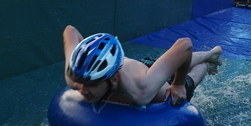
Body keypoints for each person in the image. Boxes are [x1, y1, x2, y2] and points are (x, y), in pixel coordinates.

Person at [63, 26, 223, 108]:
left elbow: (185, 45)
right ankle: (210, 55)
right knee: (174, 63)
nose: (82, 90)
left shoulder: (141, 92)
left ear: (113, 80)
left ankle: (209, 59)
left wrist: (179, 84)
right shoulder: (76, 75)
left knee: (191, 79)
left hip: (156, 84)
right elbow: (70, 30)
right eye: (82, 83)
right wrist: (87, 57)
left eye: (91, 84)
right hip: (142, 69)